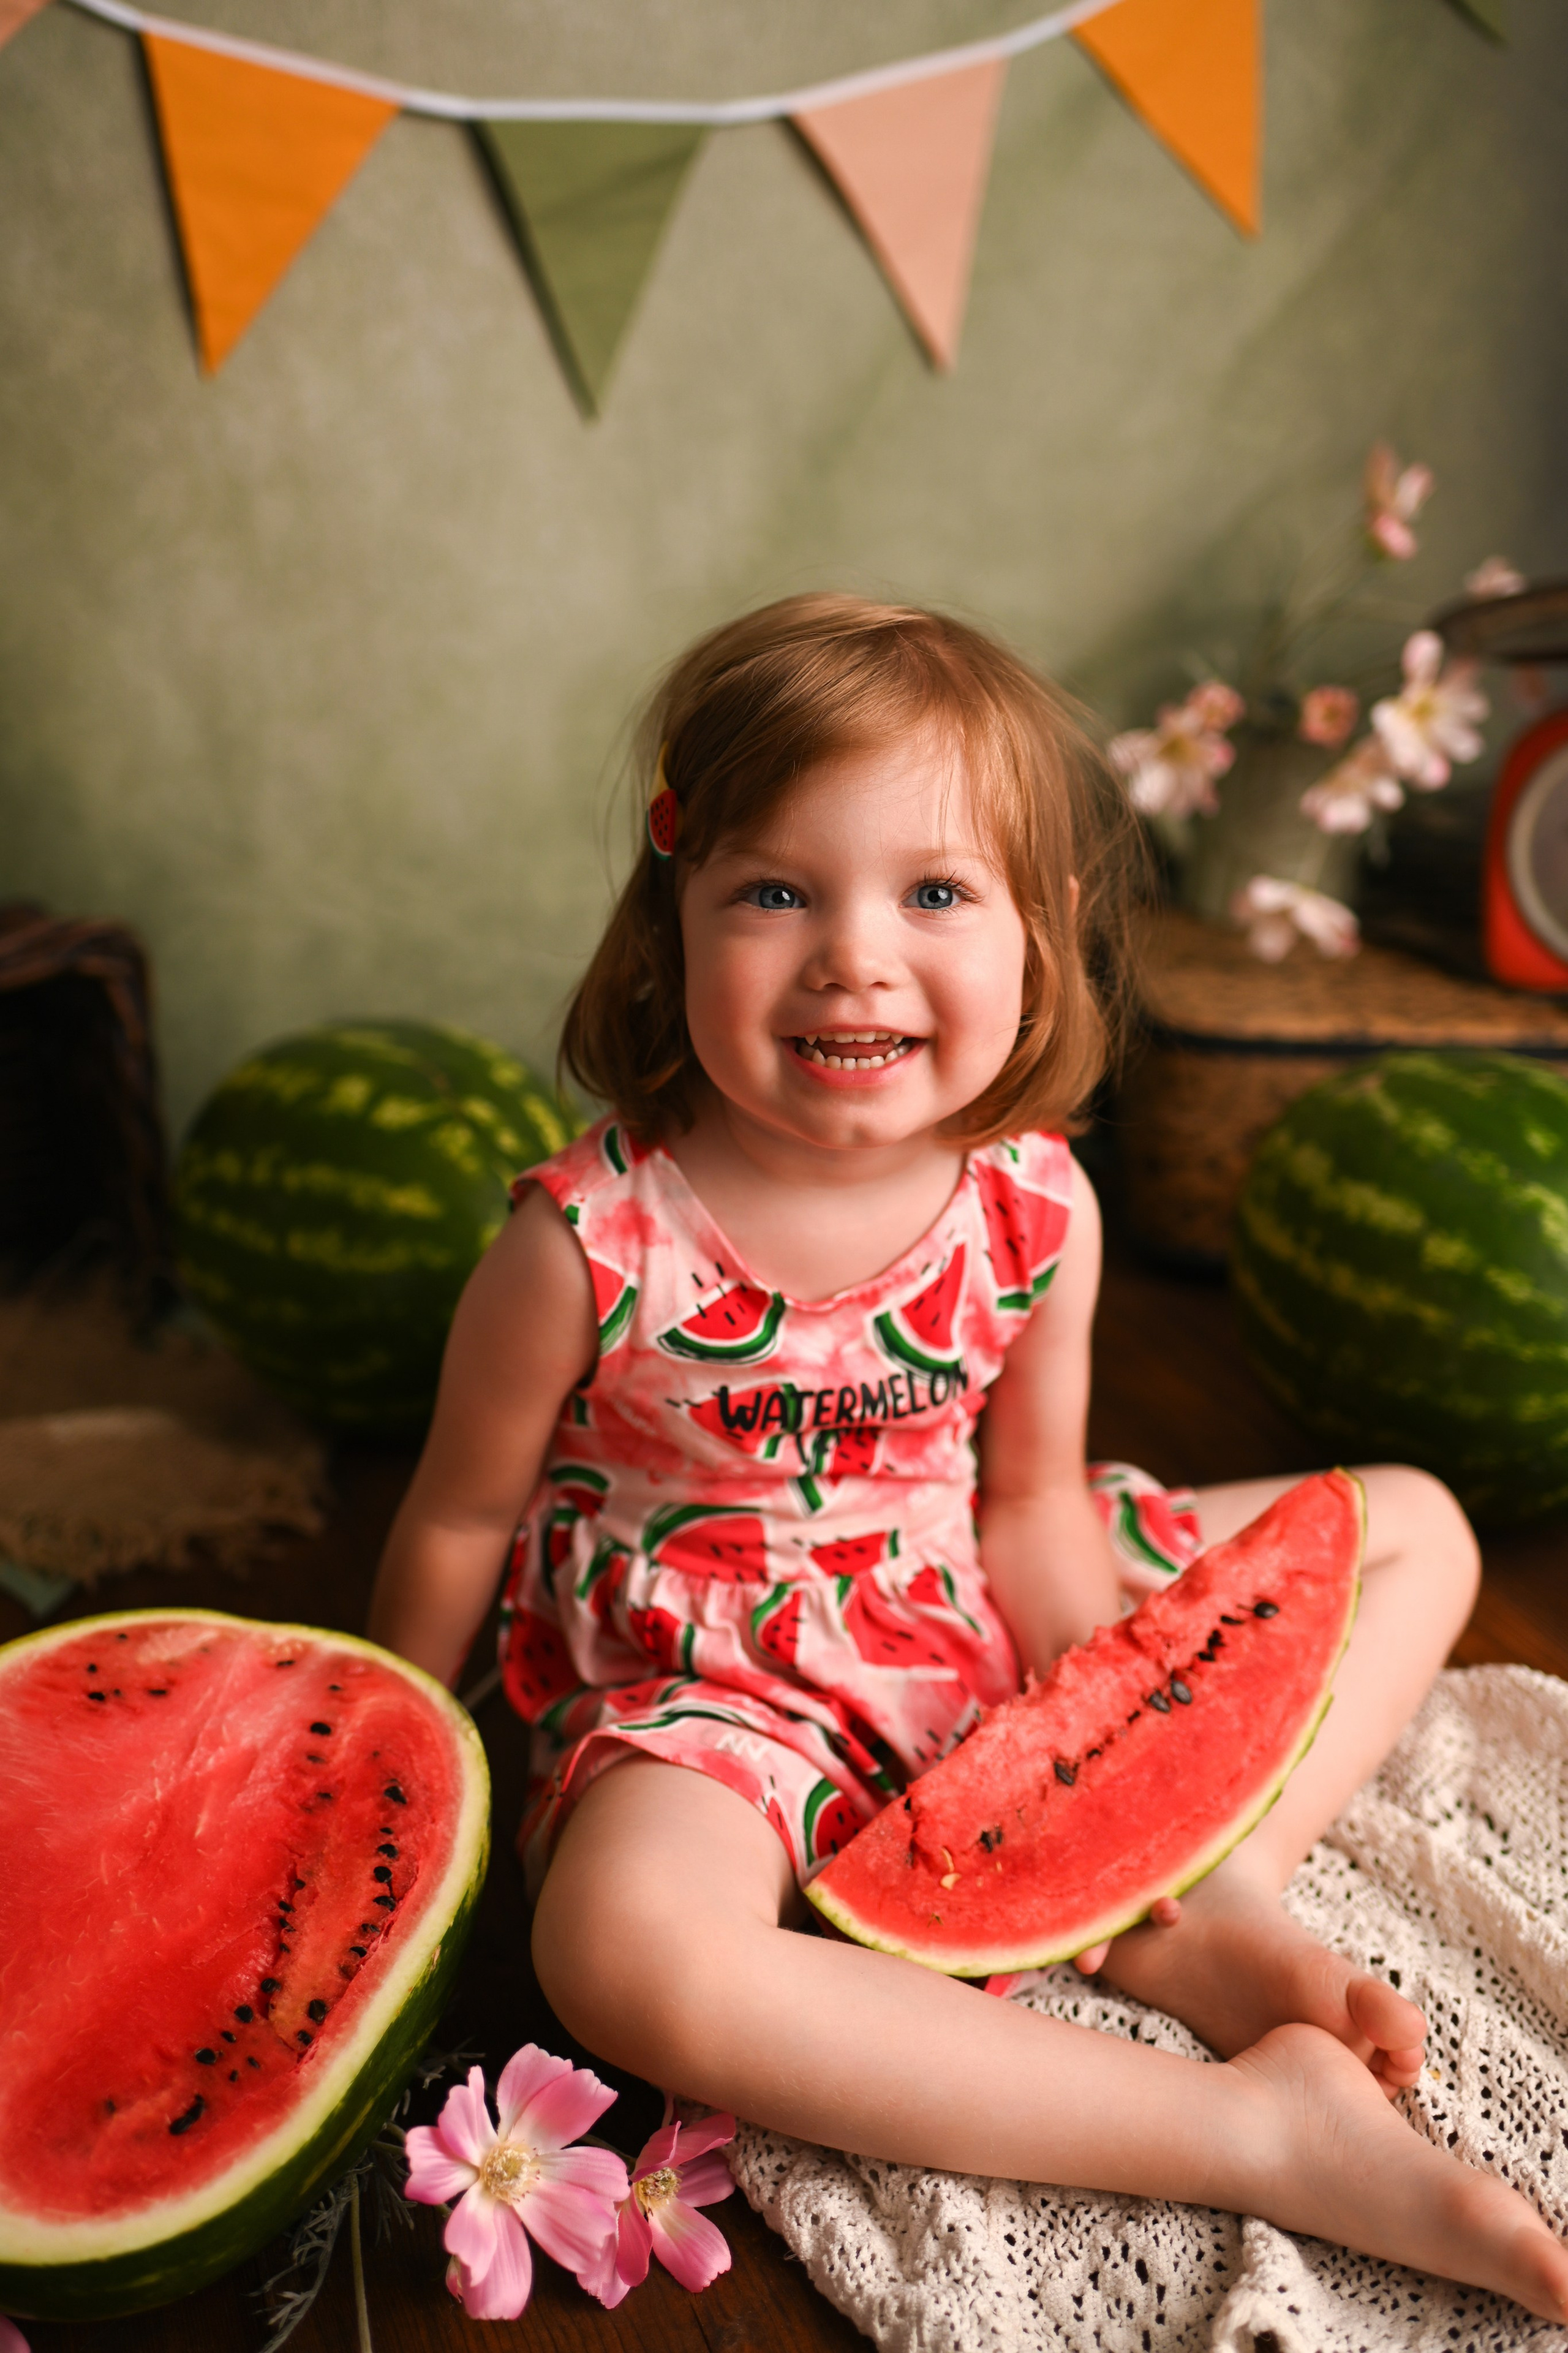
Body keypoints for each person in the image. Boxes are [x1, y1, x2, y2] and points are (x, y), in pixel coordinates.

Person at [368, 594, 1568, 2322]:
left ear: (1042, 932)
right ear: (671, 918)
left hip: (967, 1586)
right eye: (776, 889)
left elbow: (1026, 1506)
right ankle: (1253, 2131)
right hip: (708, 1672)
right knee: (617, 1953)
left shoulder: (1035, 1202)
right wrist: (382, 1769)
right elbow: (458, 1511)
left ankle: (1188, 1907)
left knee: (1420, 1529)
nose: (854, 953)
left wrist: (1119, 1748)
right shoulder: (588, 1240)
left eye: (934, 893)